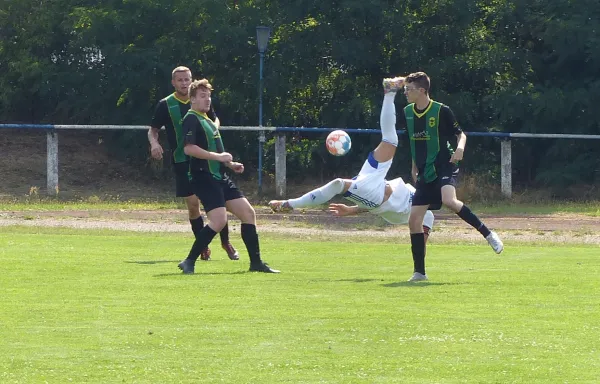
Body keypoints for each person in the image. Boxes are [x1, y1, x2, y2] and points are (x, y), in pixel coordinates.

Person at [269, 79, 435, 242]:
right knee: (391, 141)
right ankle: (390, 92)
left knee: (338, 184)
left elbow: (420, 244)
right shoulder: (420, 192)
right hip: (377, 180)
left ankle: (290, 204)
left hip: (375, 196)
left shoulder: (428, 215)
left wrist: (353, 210)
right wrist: (352, 210)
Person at [395, 71, 503, 282]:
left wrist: (460, 148)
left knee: (449, 201)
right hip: (425, 171)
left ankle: (488, 234)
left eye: (409, 89)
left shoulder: (441, 110)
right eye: (405, 89)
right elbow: (414, 143)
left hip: (445, 165)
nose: (406, 93)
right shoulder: (407, 112)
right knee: (414, 220)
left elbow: (460, 134)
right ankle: (419, 273)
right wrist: (414, 167)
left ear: (422, 91)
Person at [177, 79, 279, 274]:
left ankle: (256, 263)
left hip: (219, 176)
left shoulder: (207, 119)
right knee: (218, 221)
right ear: (192, 100)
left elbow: (215, 149)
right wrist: (219, 157)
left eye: (208, 96)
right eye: (202, 96)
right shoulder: (192, 118)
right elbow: (189, 149)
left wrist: (229, 164)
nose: (207, 100)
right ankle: (189, 261)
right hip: (203, 177)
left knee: (248, 214)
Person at [148, 66, 239, 261]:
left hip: (207, 159)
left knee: (218, 204)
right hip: (183, 161)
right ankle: (203, 245)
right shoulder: (166, 104)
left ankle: (225, 242)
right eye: (180, 80)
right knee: (192, 206)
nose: (184, 83)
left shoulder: (200, 99)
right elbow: (153, 129)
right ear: (173, 82)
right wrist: (154, 143)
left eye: (187, 79)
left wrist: (212, 129)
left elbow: (215, 119)